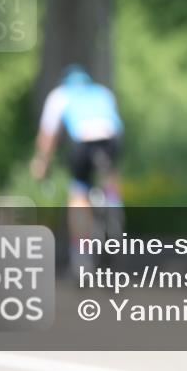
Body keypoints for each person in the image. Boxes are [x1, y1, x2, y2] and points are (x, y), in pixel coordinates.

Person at [32, 64, 124, 267]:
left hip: (83, 142)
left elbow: (47, 136)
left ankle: (81, 256)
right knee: (110, 176)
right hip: (111, 141)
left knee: (79, 193)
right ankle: (114, 206)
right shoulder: (101, 92)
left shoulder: (59, 95)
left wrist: (41, 162)